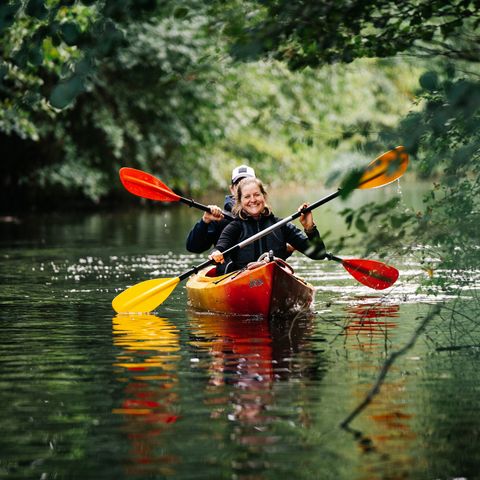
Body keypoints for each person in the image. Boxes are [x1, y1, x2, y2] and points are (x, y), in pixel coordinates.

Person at [209, 177, 326, 274]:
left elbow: (318, 254)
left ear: (264, 197)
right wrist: (216, 254)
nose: (253, 200)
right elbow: (220, 248)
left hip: (276, 277)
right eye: (247, 196)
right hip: (243, 280)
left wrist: (309, 228)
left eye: (256, 195)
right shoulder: (234, 227)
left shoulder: (281, 225)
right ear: (239, 201)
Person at [185, 165, 256, 253]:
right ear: (232, 189)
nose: (243, 189)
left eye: (248, 184)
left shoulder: (266, 217)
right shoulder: (220, 218)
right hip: (230, 266)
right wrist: (205, 221)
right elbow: (193, 248)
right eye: (239, 184)